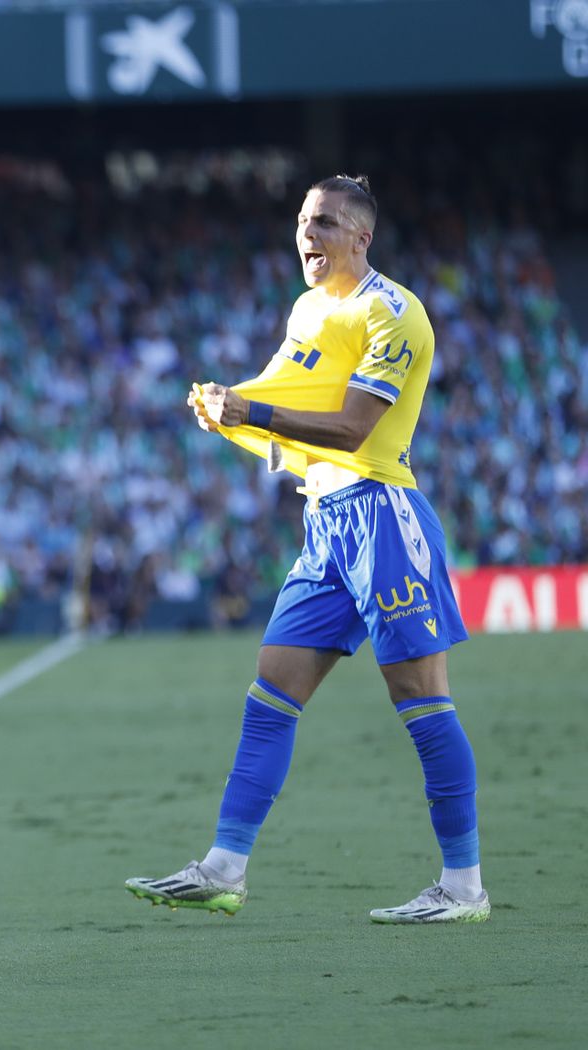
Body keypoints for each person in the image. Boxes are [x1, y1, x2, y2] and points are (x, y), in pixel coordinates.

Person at [125, 175, 487, 924]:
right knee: (272, 690)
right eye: (301, 221)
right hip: (324, 521)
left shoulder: (395, 313)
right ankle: (224, 868)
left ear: (362, 237)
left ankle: (463, 886)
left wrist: (250, 409)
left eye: (323, 222)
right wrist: (234, 412)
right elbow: (290, 393)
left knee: (420, 697)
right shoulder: (309, 309)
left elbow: (353, 427)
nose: (307, 235)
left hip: (383, 514)